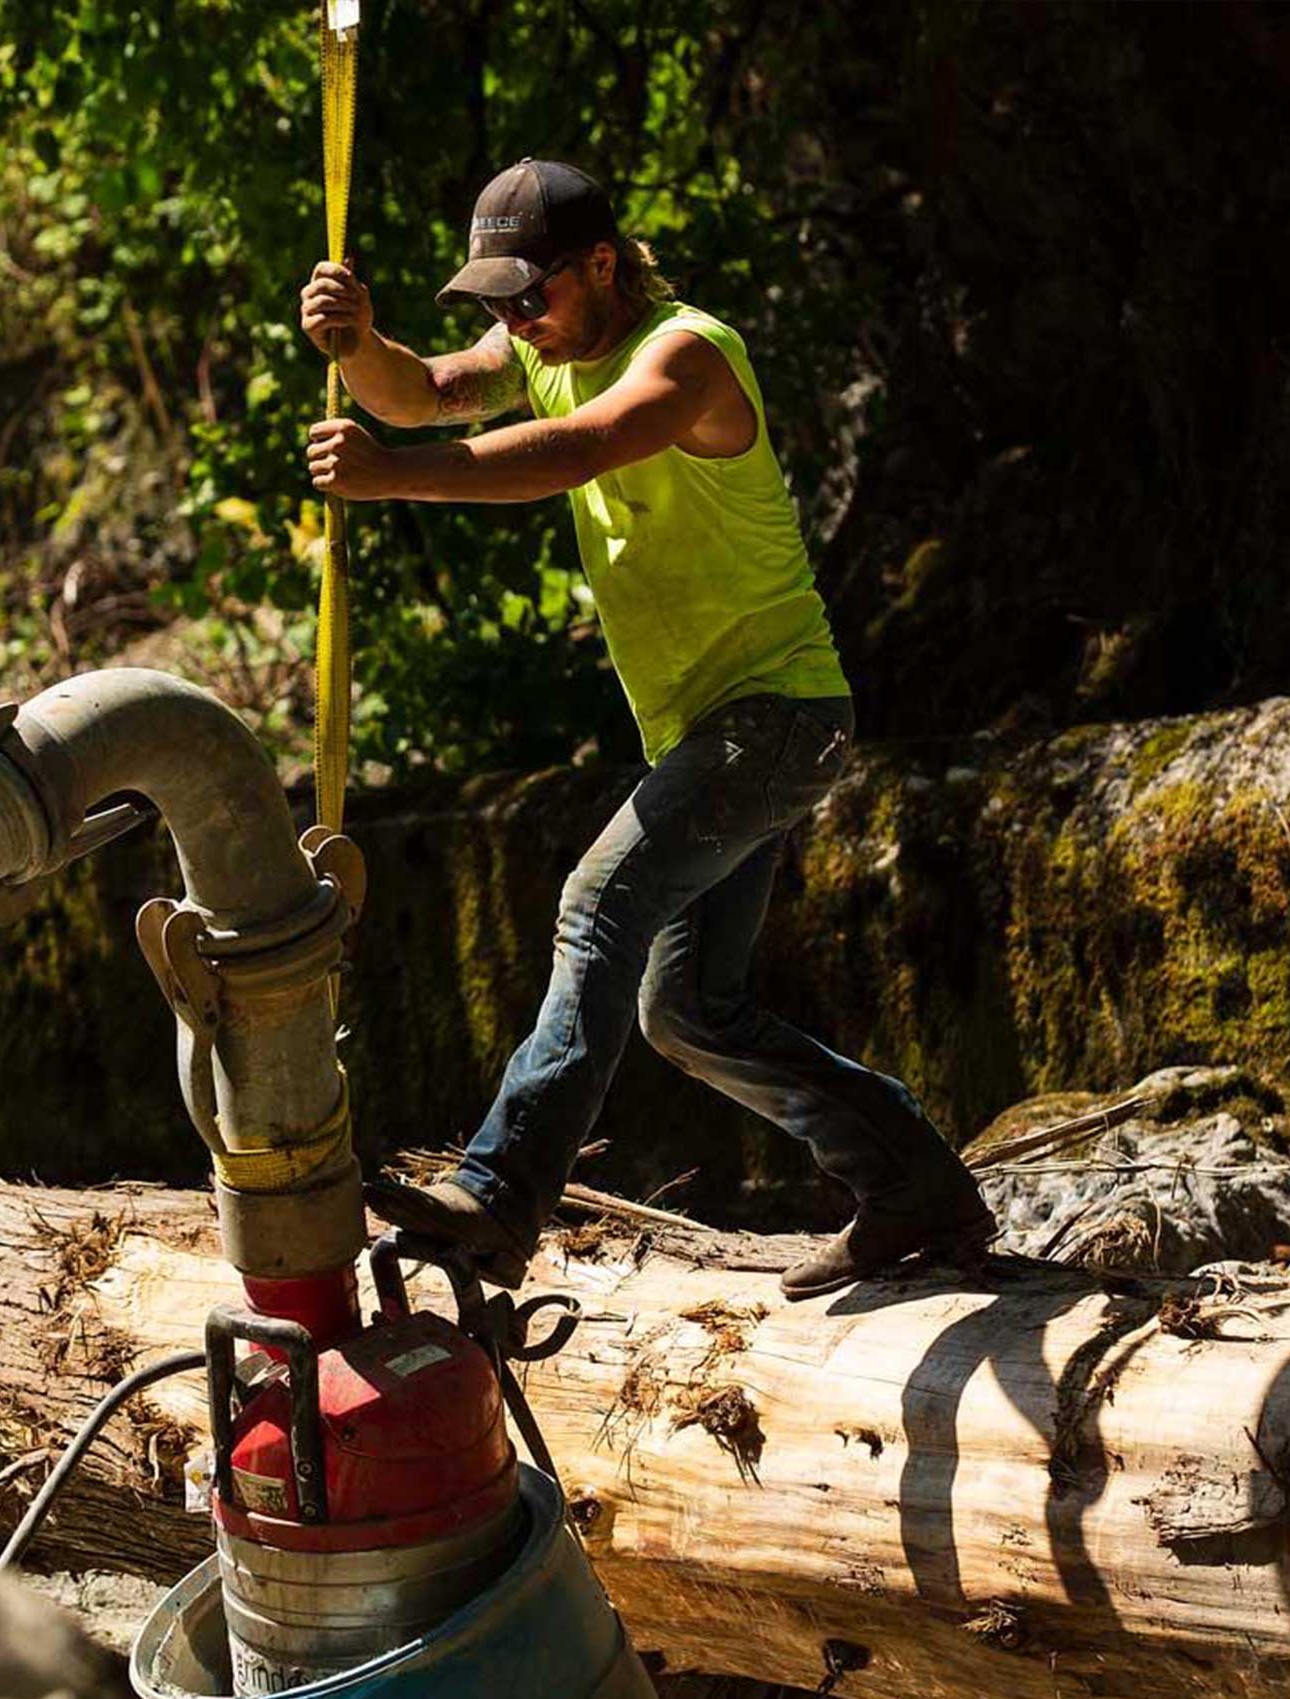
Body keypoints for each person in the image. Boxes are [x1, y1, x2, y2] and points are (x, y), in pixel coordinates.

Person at [299, 157, 990, 1298]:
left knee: (598, 902)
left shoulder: (687, 354)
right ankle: (913, 1186)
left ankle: (499, 1191)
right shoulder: (539, 349)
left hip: (775, 718)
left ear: (604, 265)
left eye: (534, 296)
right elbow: (419, 390)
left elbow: (576, 449)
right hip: (708, 736)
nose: (516, 323)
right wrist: (356, 343)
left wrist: (395, 480)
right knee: (688, 1011)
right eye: (499, 306)